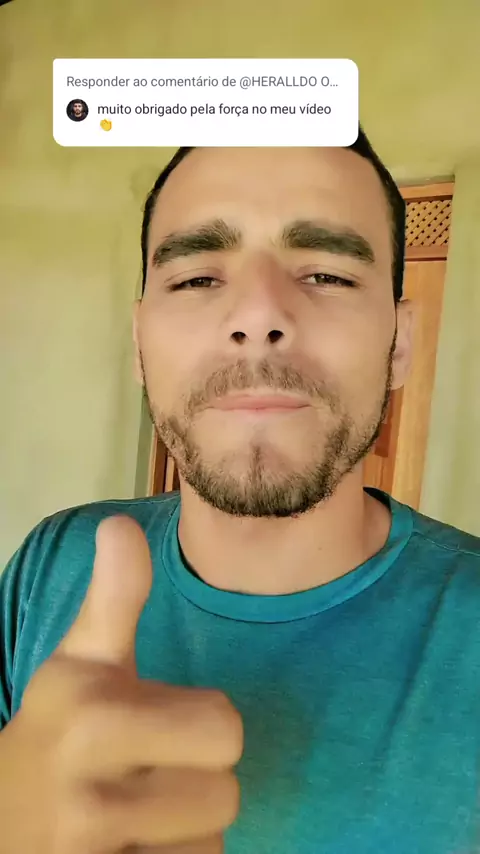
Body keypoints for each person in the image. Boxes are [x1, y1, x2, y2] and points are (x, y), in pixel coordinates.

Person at [1, 131, 480, 854]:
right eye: (196, 279)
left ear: (401, 343)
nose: (258, 316)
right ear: (139, 343)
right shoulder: (52, 562)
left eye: (327, 274)